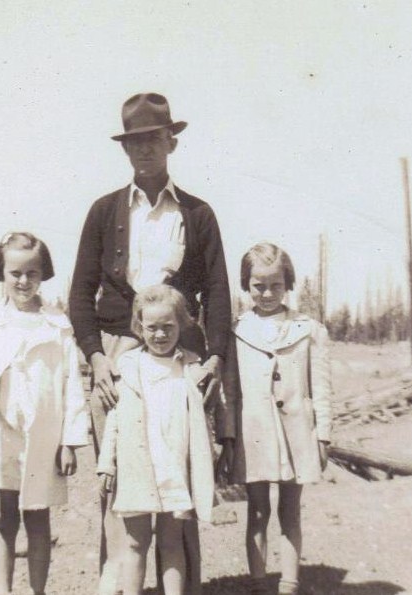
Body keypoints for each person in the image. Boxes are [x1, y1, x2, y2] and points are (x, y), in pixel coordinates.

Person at [69, 92, 231, 594]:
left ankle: (183, 585)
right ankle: (116, 582)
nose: (144, 150)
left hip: (181, 360)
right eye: (134, 142)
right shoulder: (104, 211)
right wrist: (96, 358)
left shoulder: (198, 213)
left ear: (171, 142)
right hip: (118, 354)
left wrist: (215, 360)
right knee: (120, 475)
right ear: (125, 149)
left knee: (180, 474)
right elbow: (79, 291)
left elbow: (220, 291)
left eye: (153, 139)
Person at [0, 232, 89, 595]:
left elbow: (71, 384)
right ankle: (3, 590)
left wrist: (70, 442)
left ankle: (38, 591)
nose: (24, 281)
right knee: (2, 515)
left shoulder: (57, 325)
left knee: (38, 515)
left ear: (43, 273)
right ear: (1, 273)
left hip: (43, 436)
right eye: (15, 273)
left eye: (32, 273)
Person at [215, 242, 333, 595]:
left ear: (288, 283)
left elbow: (322, 388)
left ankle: (289, 583)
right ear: (246, 285)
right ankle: (258, 583)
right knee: (256, 510)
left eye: (276, 285)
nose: (267, 293)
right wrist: (228, 439)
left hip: (297, 433)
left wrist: (322, 435)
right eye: (258, 285)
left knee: (291, 510)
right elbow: (229, 393)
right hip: (253, 435)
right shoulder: (236, 331)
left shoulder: (309, 330)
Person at [97, 285, 215, 595]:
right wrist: (106, 463)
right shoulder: (128, 364)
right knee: (136, 542)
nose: (160, 335)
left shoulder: (189, 365)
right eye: (152, 327)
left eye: (168, 327)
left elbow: (205, 416)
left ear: (181, 324)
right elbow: (114, 418)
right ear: (139, 327)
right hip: (136, 465)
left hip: (172, 465)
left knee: (171, 542)